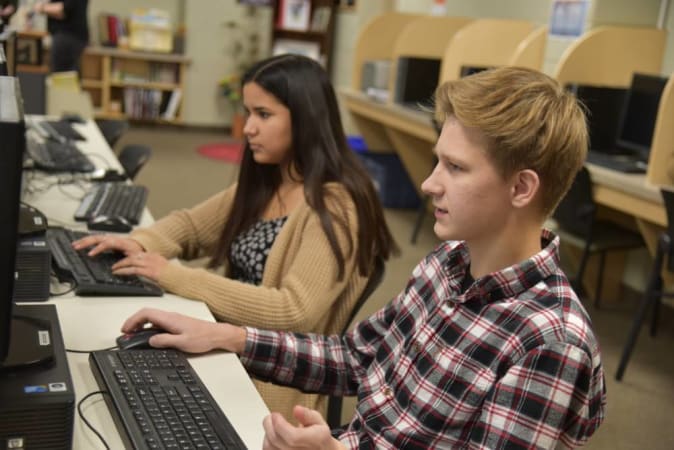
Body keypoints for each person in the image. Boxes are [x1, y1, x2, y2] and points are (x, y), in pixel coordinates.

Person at [118, 66, 607, 449]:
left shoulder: (550, 341)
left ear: (521, 187)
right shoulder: (447, 264)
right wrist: (227, 336)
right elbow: (358, 358)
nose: (429, 182)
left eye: (455, 167)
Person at [72, 54, 398, 422]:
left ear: (304, 118)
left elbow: (292, 312)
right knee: (107, 374)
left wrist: (172, 275)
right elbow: (191, 226)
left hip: (272, 381)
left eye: (263, 114)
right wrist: (143, 243)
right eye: (248, 112)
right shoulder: (271, 178)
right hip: (222, 342)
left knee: (121, 400)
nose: (248, 127)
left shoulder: (338, 205)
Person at [33, 0, 89, 72]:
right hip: (68, 37)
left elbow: (63, 10)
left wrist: (42, 8)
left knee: (61, 76)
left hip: (68, 37)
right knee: (65, 75)